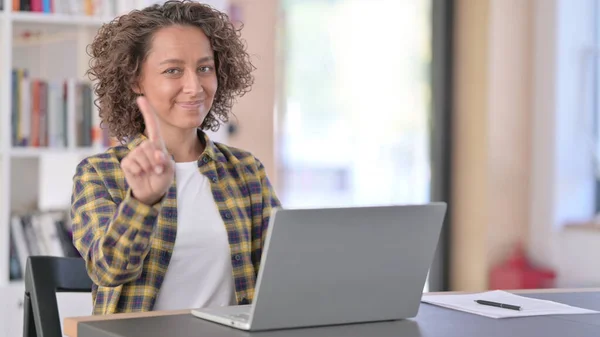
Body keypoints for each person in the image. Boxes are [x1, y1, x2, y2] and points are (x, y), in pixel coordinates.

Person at [70, 0, 280, 315]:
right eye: (173, 70)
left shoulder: (246, 171)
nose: (194, 87)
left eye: (204, 68)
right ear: (135, 79)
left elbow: (282, 271)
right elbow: (108, 271)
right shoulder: (99, 173)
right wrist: (143, 202)